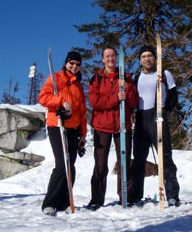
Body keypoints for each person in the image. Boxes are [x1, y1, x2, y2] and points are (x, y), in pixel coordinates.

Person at [87, 46, 139, 211]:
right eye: (107, 56)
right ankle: (97, 199)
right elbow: (95, 103)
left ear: (116, 58)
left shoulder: (125, 77)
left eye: (112, 56)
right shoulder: (97, 78)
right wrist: (115, 98)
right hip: (102, 126)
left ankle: (126, 196)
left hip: (122, 126)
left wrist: (127, 89)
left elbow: (134, 102)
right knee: (100, 164)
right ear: (102, 59)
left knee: (124, 162)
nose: (110, 59)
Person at [128, 45, 180, 207]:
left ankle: (172, 195)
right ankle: (135, 196)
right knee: (138, 159)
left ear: (155, 58)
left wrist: (165, 112)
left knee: (165, 157)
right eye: (143, 56)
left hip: (158, 116)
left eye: (149, 55)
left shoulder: (164, 74)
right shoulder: (136, 76)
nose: (147, 59)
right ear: (140, 60)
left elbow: (173, 96)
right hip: (141, 117)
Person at [39, 51, 87, 216]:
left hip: (74, 129)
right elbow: (43, 97)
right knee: (62, 164)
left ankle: (65, 201)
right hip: (57, 126)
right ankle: (50, 203)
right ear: (66, 63)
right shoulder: (56, 78)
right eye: (71, 63)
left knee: (70, 167)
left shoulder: (79, 86)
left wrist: (83, 134)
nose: (74, 66)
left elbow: (82, 112)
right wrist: (61, 101)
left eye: (78, 64)